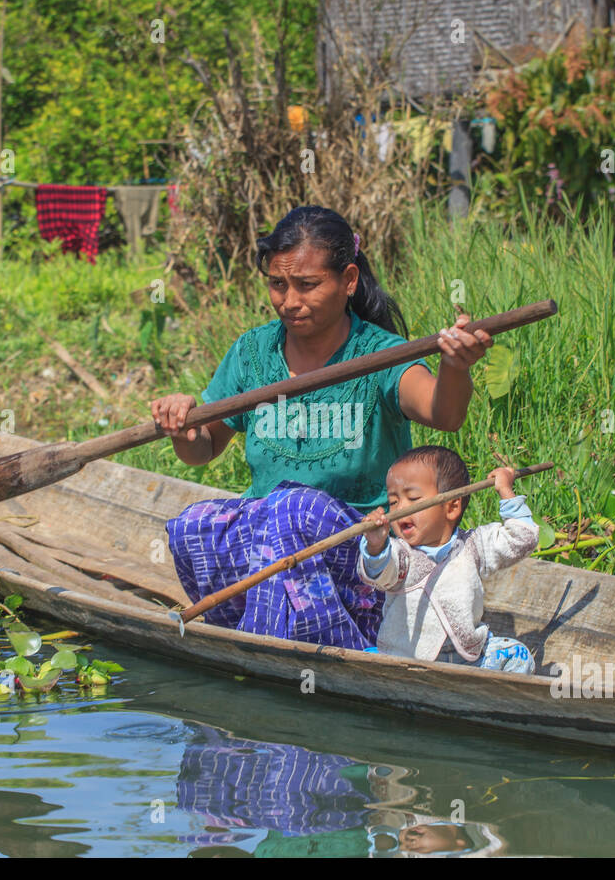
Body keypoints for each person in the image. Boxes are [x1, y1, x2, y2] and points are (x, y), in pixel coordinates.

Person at [152, 205, 492, 649]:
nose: (289, 301)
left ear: (348, 280)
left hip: (361, 551)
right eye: (278, 284)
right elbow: (203, 449)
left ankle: (290, 645)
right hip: (270, 547)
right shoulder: (253, 351)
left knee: (292, 509)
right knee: (193, 525)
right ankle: (266, 629)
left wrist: (455, 367)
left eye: (307, 285)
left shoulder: (380, 355)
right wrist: (183, 427)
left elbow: (443, 414)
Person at [356, 446, 539, 672]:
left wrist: (505, 491)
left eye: (413, 498)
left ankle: (483, 701)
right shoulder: (400, 555)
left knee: (519, 658)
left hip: (468, 658)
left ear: (451, 507)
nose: (400, 507)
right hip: (406, 660)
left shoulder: (474, 545)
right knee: (367, 665)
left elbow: (523, 539)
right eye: (393, 502)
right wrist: (375, 545)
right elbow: (379, 572)